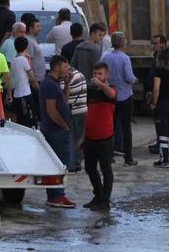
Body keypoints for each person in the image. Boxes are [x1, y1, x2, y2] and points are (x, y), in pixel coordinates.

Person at [39, 55, 76, 208]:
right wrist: (64, 126)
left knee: (59, 163)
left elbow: (63, 101)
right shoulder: (49, 84)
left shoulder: (55, 83)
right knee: (60, 164)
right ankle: (57, 196)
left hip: (57, 130)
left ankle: (55, 195)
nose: (67, 69)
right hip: (55, 131)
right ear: (57, 67)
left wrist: (67, 85)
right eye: (65, 66)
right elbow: (51, 110)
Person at [84, 62, 118, 210]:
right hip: (90, 137)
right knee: (90, 168)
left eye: (100, 74)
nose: (97, 77)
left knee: (106, 170)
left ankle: (105, 200)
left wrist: (102, 85)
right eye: (95, 74)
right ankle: (98, 195)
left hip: (105, 138)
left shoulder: (109, 90)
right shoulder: (91, 91)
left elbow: (112, 94)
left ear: (106, 75)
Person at [102, 32, 137, 165]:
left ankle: (109, 155)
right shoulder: (125, 58)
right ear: (123, 43)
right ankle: (128, 157)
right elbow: (129, 77)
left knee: (110, 126)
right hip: (125, 95)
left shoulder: (106, 57)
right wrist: (135, 79)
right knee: (126, 127)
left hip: (111, 94)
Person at [9, 36, 38, 126]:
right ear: (26, 46)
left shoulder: (13, 60)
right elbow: (32, 77)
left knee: (20, 119)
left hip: (16, 94)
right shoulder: (23, 60)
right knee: (29, 119)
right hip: (25, 94)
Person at [66, 59, 87, 173]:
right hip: (83, 110)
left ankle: (73, 164)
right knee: (79, 139)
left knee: (72, 139)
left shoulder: (69, 77)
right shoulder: (80, 74)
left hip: (74, 112)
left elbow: (64, 95)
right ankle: (78, 163)